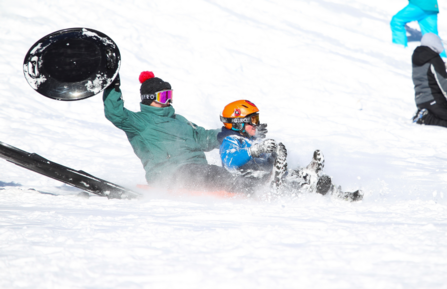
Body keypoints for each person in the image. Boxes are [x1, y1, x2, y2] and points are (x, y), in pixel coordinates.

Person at [103, 71, 269, 195]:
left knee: (223, 171)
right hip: (170, 175)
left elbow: (203, 138)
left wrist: (238, 131)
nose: (168, 101)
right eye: (163, 96)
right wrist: (112, 85)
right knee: (211, 173)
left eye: (170, 95)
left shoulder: (180, 120)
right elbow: (115, 113)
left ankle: (267, 181)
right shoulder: (139, 122)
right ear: (149, 98)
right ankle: (254, 190)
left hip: (198, 171)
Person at [217, 100, 363, 201]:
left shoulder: (251, 140)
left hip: (264, 174)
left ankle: (325, 186)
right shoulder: (230, 140)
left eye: (257, 119)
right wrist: (254, 150)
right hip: (248, 182)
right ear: (238, 123)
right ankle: (279, 184)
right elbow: (230, 161)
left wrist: (273, 156)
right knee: (284, 182)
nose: (257, 124)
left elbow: (261, 160)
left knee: (293, 175)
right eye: (253, 120)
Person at [412, 33, 447, 127]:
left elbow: (426, 75)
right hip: (435, 100)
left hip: (421, 101)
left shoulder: (418, 57)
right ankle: (426, 119)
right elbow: (444, 82)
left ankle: (425, 115)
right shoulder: (435, 59)